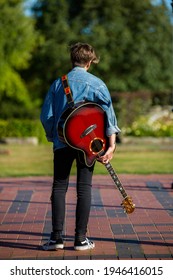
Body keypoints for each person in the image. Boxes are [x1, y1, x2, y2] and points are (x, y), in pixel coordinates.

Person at [40, 42, 120, 251]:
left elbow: (46, 116)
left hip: (62, 141)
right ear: (90, 61)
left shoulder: (59, 84)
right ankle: (80, 239)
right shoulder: (98, 84)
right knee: (84, 188)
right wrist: (111, 146)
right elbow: (109, 118)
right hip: (88, 145)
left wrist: (54, 136)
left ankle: (56, 238)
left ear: (72, 59)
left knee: (59, 187)